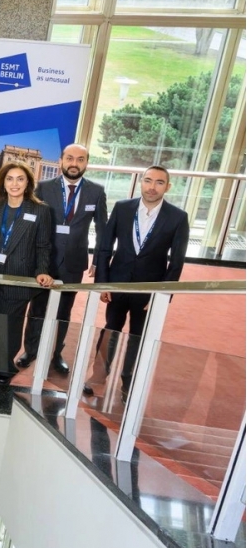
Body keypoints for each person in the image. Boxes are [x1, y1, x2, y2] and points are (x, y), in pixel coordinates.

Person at [93, 165, 189, 397]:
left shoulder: (178, 217)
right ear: (140, 182)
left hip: (149, 290)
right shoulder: (122, 208)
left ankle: (128, 382)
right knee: (110, 329)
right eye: (148, 180)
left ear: (167, 187)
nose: (152, 187)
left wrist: (160, 296)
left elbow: (176, 262)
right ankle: (98, 374)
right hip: (117, 283)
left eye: (159, 182)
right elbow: (105, 247)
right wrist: (103, 283)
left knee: (138, 336)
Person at [18, 144, 107, 374]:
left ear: (86, 163)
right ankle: (31, 350)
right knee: (37, 308)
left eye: (80, 159)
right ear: (61, 161)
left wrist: (97, 261)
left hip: (73, 263)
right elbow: (30, 223)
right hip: (43, 260)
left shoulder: (96, 192)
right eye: (69, 158)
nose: (74, 163)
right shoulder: (43, 187)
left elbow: (103, 229)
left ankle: (56, 353)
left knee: (64, 312)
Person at [0, 162, 54, 384]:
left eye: (20, 179)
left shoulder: (40, 211)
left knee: (7, 324)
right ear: (3, 183)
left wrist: (42, 271)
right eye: (9, 179)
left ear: (28, 184)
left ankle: (4, 368)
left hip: (18, 276)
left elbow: (43, 246)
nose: (14, 184)